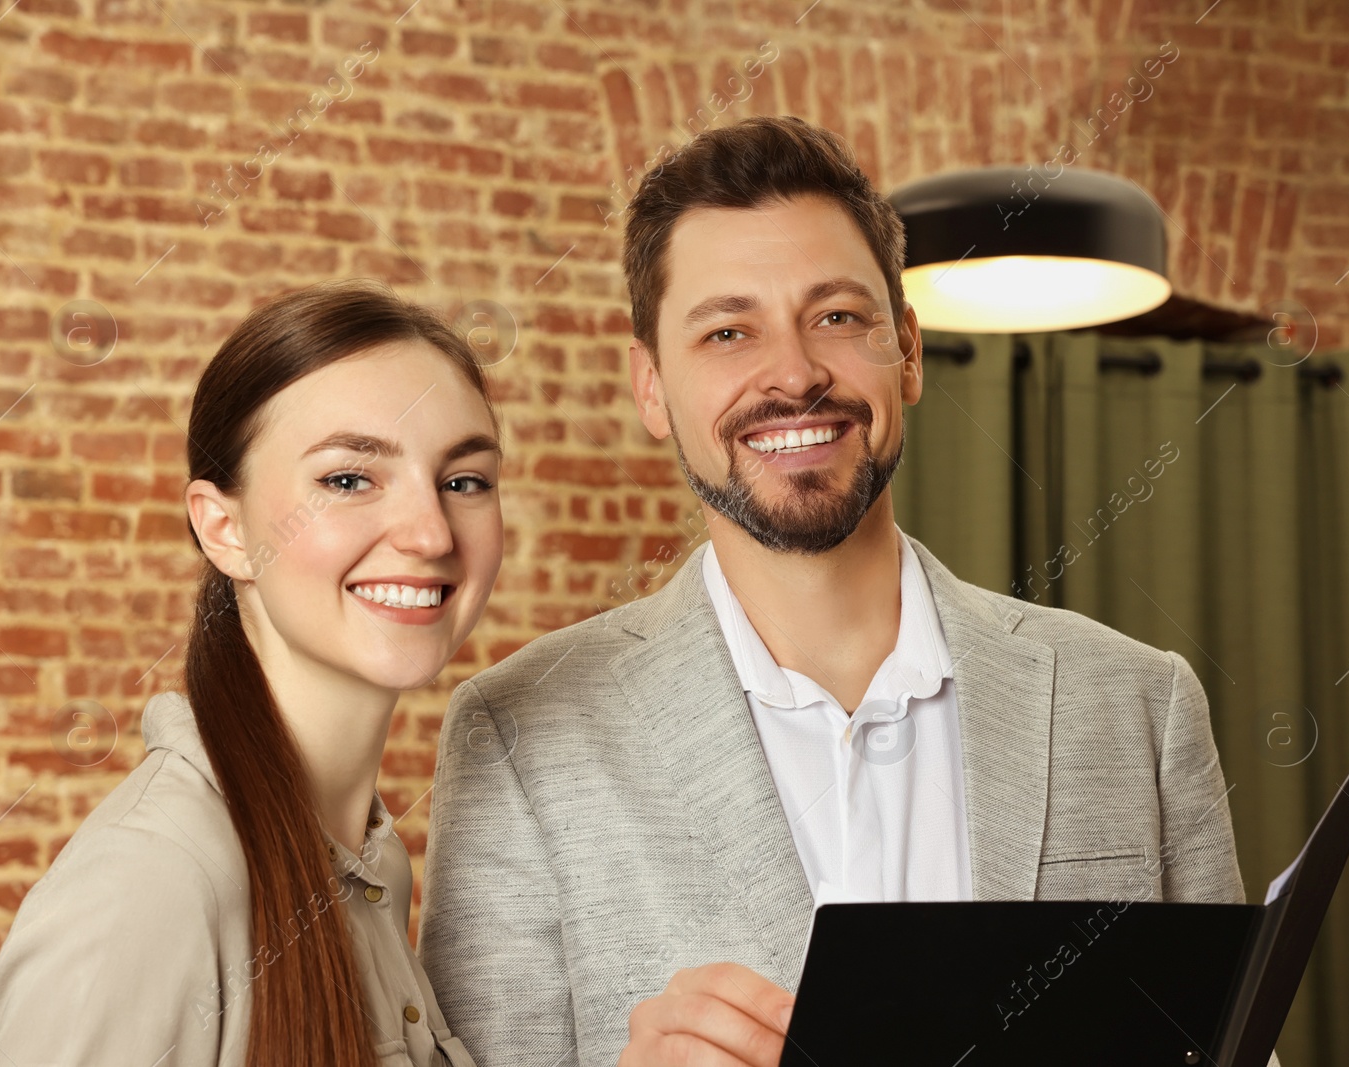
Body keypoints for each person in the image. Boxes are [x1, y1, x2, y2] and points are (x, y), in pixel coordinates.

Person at [418, 115, 1257, 1067]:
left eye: (838, 317)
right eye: (728, 331)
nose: (794, 373)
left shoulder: (1140, 705)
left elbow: (1232, 1044)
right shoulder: (515, 738)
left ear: (908, 350)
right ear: (651, 387)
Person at [0, 279, 502, 1067]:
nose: (430, 531)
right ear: (222, 527)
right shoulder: (149, 887)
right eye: (348, 478)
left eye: (463, 481)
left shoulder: (373, 863)